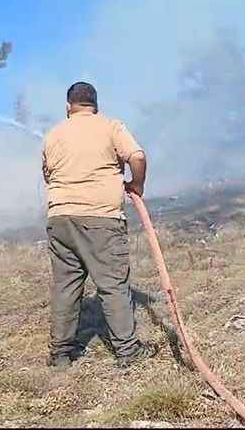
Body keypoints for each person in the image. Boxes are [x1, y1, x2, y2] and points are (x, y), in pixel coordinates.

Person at [41, 81, 158, 368]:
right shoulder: (110, 126)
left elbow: (47, 175)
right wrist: (137, 185)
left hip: (60, 219)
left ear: (68, 106)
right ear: (95, 105)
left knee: (66, 287)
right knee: (113, 285)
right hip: (101, 218)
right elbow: (137, 156)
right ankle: (128, 352)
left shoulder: (53, 134)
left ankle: (60, 355)